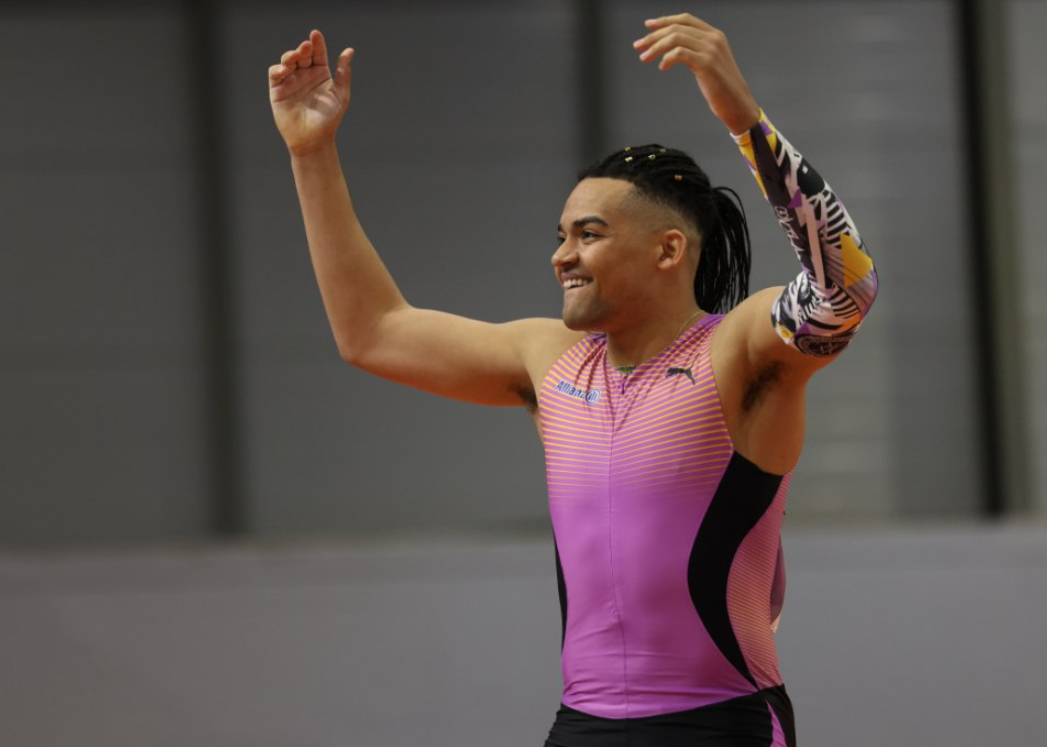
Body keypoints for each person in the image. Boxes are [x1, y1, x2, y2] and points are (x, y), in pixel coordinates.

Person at [269, 11, 877, 747]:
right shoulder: (549, 359)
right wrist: (310, 151)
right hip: (582, 727)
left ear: (667, 250)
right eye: (560, 235)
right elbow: (372, 332)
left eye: (588, 234)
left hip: (724, 724)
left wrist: (742, 118)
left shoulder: (741, 350)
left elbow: (846, 288)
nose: (561, 256)